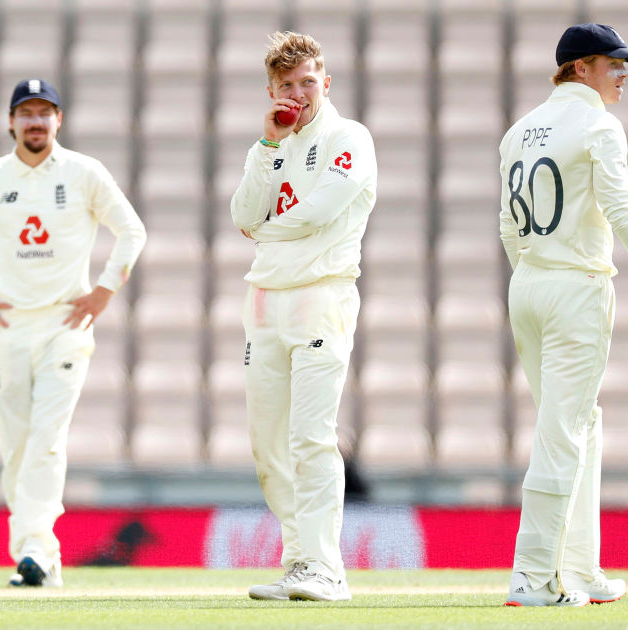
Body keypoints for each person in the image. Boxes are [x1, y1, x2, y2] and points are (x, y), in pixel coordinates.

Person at [498, 24, 628, 607]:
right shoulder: (598, 125)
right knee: (563, 431)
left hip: (528, 285)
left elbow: (509, 229)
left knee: (580, 424)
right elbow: (622, 210)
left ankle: (582, 571)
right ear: (580, 67)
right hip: (575, 289)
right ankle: (533, 577)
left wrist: (533, 274)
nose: (623, 72)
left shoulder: (518, 130)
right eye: (614, 63)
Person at [0, 78, 146, 587]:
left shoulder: (84, 173)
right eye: (26, 113)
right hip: (8, 324)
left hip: (65, 323)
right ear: (11, 121)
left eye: (45, 113)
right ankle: (42, 554)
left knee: (47, 438)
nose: (35, 122)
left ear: (59, 120)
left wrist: (104, 290)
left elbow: (131, 231)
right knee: (16, 444)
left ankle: (34, 549)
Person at [231, 31, 377, 602]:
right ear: (271, 90)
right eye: (287, 85)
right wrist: (268, 147)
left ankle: (327, 569)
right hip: (265, 299)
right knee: (269, 443)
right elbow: (240, 211)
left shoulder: (349, 137)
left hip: (321, 294)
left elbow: (320, 212)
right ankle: (299, 561)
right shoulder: (271, 144)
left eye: (308, 82)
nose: (299, 94)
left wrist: (263, 232)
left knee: (311, 436)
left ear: (326, 82)